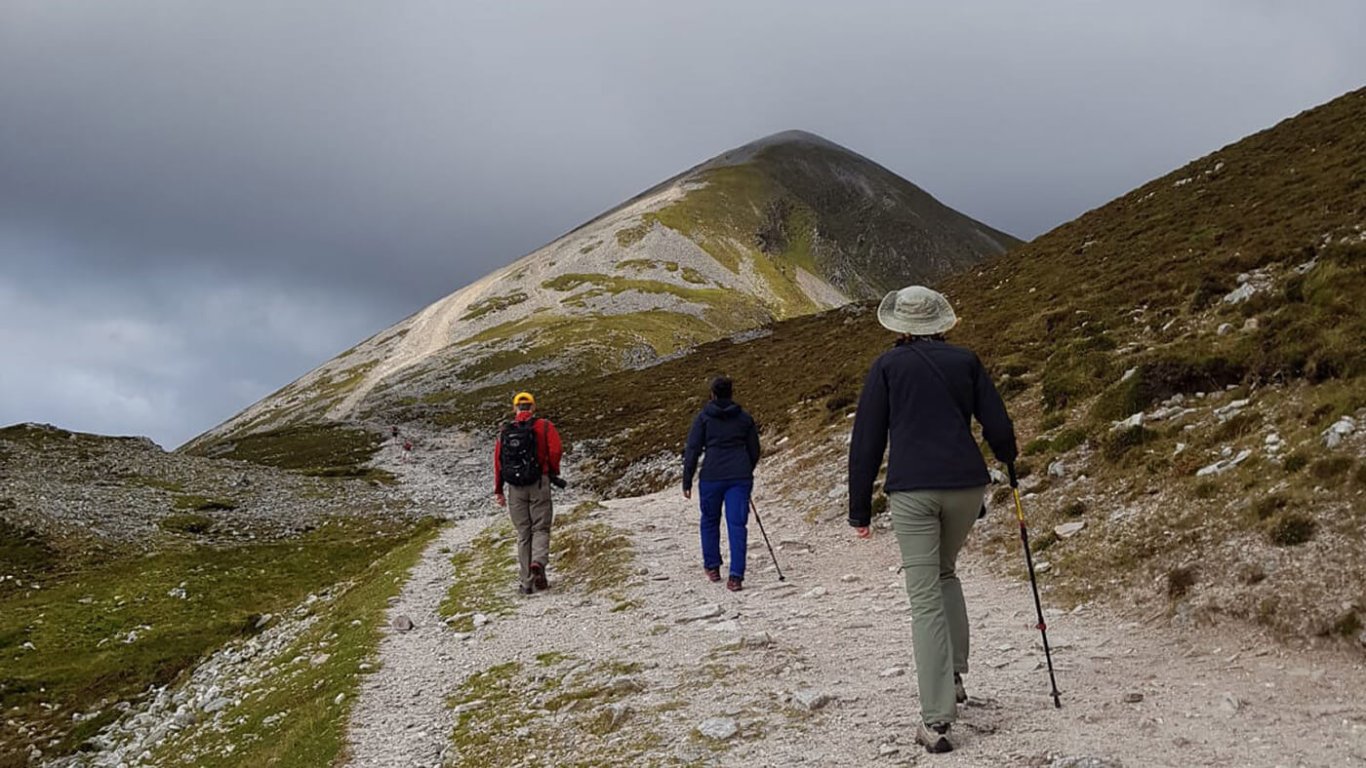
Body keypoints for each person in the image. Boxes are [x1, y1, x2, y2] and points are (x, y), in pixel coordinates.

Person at [847, 285, 1017, 755]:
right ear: (940, 322)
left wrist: (859, 510)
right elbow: (998, 425)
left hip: (913, 491)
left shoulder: (886, 368)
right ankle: (956, 676)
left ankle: (937, 719)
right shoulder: (966, 361)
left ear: (900, 325)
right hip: (966, 486)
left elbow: (866, 442)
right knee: (946, 573)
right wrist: (1010, 463)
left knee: (924, 597)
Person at [682, 376, 761, 592]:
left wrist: (687, 480)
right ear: (731, 393)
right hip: (739, 477)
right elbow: (755, 450)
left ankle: (713, 567)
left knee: (709, 520)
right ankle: (736, 576)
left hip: (711, 476)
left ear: (712, 395)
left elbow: (693, 450)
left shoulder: (703, 418)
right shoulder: (744, 418)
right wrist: (746, 470)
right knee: (737, 524)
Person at [494, 391, 564, 595]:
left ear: (515, 408)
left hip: (515, 488)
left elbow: (498, 462)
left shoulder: (505, 430)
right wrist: (551, 471)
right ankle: (538, 563)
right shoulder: (544, 426)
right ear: (533, 407)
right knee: (540, 528)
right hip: (539, 482)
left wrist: (499, 490)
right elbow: (556, 450)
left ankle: (526, 583)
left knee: (523, 533)